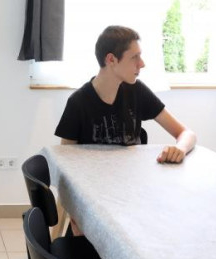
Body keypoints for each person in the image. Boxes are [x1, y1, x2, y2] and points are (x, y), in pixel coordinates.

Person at [55, 25, 196, 163]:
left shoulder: (137, 90)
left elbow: (187, 133)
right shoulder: (78, 102)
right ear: (111, 59)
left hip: (132, 176)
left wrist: (180, 148)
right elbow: (66, 161)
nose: (142, 64)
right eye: (135, 57)